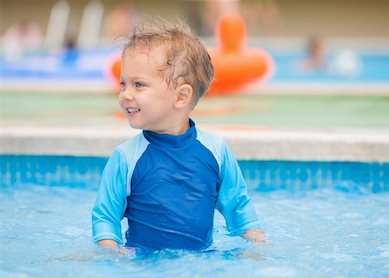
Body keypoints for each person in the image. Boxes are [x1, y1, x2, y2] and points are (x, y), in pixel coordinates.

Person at [92, 20, 265, 251]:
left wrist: (258, 246)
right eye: (123, 84)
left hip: (200, 263)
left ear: (181, 97)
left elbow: (238, 206)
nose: (125, 95)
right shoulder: (125, 157)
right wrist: (112, 252)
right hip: (143, 267)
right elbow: (105, 217)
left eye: (139, 85)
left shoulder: (216, 151)